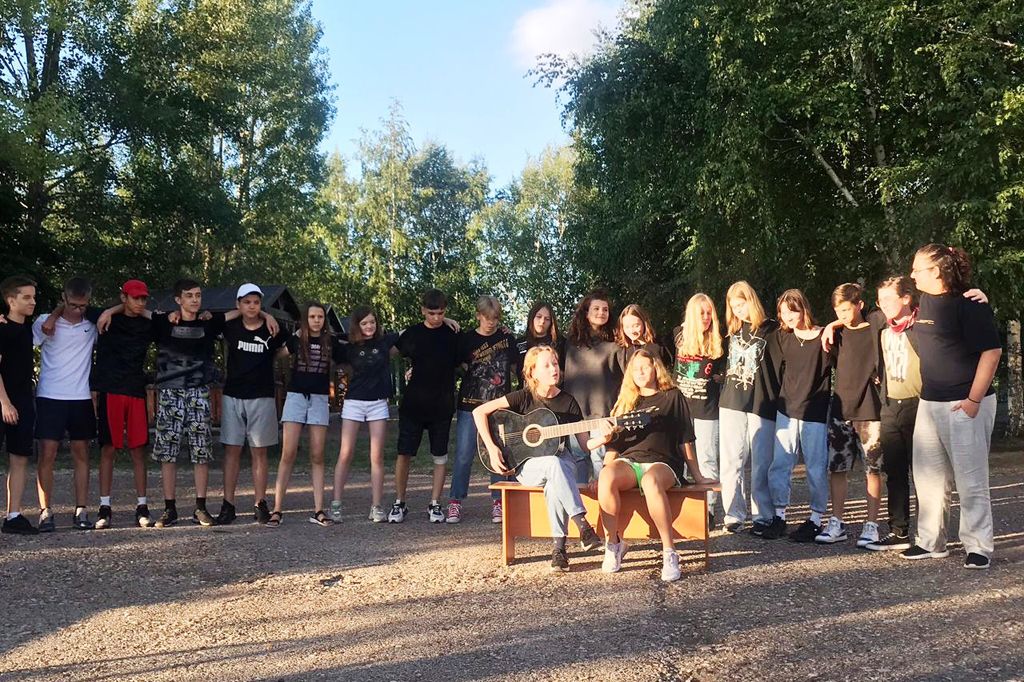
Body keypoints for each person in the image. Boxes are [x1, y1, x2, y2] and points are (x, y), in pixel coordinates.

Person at [903, 244, 1001, 569]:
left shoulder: (970, 304)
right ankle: (930, 541)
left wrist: (973, 400)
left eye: (917, 268)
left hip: (965, 403)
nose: (912, 274)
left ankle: (978, 546)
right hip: (930, 402)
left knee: (971, 480)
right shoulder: (925, 301)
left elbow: (992, 352)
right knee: (928, 478)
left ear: (936, 271)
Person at [474, 345, 602, 571]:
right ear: (532, 372)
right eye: (547, 365)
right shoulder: (523, 397)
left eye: (555, 363)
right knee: (554, 465)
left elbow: (585, 445)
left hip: (562, 461)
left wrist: (604, 437)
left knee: (555, 477)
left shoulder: (569, 402)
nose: (554, 369)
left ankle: (559, 551)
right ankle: (582, 524)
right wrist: (492, 448)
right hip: (527, 466)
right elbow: (479, 412)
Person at [594, 349, 710, 582]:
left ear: (655, 368)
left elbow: (685, 439)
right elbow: (615, 445)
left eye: (645, 367)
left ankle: (669, 552)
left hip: (663, 462)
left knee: (650, 481)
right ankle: (613, 545)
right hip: (630, 461)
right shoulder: (626, 401)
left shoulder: (672, 396)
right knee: (606, 476)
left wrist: (697, 476)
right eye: (635, 369)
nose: (640, 372)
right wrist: (603, 471)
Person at [815, 283, 885, 545]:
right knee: (837, 468)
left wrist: (832, 324)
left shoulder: (876, 327)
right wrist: (833, 326)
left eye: (846, 309)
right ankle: (837, 522)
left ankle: (872, 524)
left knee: (873, 469)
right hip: (840, 409)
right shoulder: (837, 335)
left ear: (860, 305)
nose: (842, 315)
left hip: (870, 410)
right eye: (838, 311)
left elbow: (888, 313)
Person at [763, 290, 832, 542]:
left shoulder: (825, 336)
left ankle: (816, 519)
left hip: (814, 411)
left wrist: (833, 325)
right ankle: (779, 516)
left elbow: (854, 325)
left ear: (803, 309)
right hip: (787, 409)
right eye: (783, 312)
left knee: (815, 466)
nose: (787, 316)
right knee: (780, 463)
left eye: (792, 311)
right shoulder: (783, 337)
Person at [218, 284, 289, 526]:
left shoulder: (272, 329)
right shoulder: (230, 327)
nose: (251, 306)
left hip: (262, 396)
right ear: (238, 304)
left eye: (256, 303)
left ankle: (260, 503)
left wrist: (268, 317)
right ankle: (228, 504)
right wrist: (259, 313)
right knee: (232, 450)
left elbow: (291, 345)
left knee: (259, 451)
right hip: (233, 395)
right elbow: (212, 322)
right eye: (246, 302)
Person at [387, 289, 459, 524]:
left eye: (441, 313)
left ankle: (435, 503)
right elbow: (389, 351)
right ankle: (400, 502)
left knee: (440, 456)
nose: (436, 318)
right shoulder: (412, 334)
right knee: (404, 453)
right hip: (413, 406)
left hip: (442, 406)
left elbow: (470, 354)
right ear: (423, 311)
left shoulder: (452, 334)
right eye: (431, 313)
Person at [88, 279, 155, 528]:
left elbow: (164, 319)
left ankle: (142, 506)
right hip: (110, 390)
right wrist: (110, 311)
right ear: (123, 297)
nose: (140, 302)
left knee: (138, 449)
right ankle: (104, 507)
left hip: (135, 390)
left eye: (143, 298)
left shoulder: (149, 324)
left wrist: (117, 309)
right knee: (108, 448)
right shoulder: (105, 318)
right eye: (135, 297)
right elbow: (74, 305)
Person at [34, 277, 98, 531]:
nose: (78, 310)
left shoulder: (92, 324)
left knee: (81, 453)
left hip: (81, 397)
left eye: (83, 306)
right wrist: (54, 315)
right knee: (47, 453)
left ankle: (81, 509)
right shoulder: (44, 322)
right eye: (73, 305)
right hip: (50, 396)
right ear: (64, 298)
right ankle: (45, 511)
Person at [447, 296, 518, 524]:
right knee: (464, 454)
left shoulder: (506, 337)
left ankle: (499, 501)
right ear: (478, 315)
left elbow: (517, 366)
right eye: (487, 318)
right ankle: (455, 501)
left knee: (498, 451)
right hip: (470, 404)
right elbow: (456, 363)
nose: (491, 322)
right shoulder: (466, 339)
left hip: (499, 406)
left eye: (495, 318)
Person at [718, 281, 781, 534]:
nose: (738, 311)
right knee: (731, 460)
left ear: (751, 301)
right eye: (734, 307)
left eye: (741, 305)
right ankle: (733, 514)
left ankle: (763, 515)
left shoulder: (771, 329)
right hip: (732, 401)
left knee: (761, 462)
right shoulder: (733, 332)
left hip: (762, 402)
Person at [274, 302, 343, 526]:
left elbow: (349, 354)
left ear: (324, 320)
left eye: (320, 317)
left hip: (319, 399)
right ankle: (277, 509)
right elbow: (278, 354)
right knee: (288, 453)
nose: (316, 320)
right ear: (306, 319)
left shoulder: (331, 342)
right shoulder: (296, 340)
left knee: (317, 454)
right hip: (295, 397)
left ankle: (318, 509)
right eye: (312, 317)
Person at [332, 305, 400, 523]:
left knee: (376, 456)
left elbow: (413, 332)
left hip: (378, 403)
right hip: (354, 402)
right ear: (357, 325)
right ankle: (336, 505)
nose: (369, 326)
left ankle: (376, 506)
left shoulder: (385, 342)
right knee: (345, 453)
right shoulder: (348, 346)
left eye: (372, 322)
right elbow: (323, 338)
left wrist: (447, 321)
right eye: (364, 323)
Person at [672, 293, 726, 527]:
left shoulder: (719, 342)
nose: (705, 317)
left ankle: (708, 510)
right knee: (681, 458)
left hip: (707, 409)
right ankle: (684, 508)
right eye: (701, 312)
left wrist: (721, 376)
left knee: (706, 458)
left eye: (709, 312)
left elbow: (723, 372)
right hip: (681, 409)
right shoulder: (678, 335)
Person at [562, 290, 621, 483]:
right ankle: (580, 503)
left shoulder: (615, 344)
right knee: (578, 463)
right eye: (596, 308)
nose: (601, 312)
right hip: (575, 415)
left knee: (599, 463)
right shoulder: (571, 343)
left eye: (605, 309)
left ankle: (603, 503)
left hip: (602, 414)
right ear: (586, 313)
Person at [0, 275, 39, 535]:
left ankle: (13, 515)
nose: (32, 302)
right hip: (4, 401)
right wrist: (4, 403)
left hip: (23, 401)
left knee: (20, 457)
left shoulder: (26, 328)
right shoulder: (2, 330)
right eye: (26, 297)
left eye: (33, 297)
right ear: (11, 301)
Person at [614, 303, 671, 369]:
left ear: (644, 323)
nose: (632, 331)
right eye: (627, 327)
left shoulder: (659, 345)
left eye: (636, 326)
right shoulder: (621, 349)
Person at [515, 301, 564, 377]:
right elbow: (512, 367)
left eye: (547, 319)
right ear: (532, 317)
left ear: (551, 322)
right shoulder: (519, 343)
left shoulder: (560, 342)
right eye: (539, 317)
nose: (542, 321)